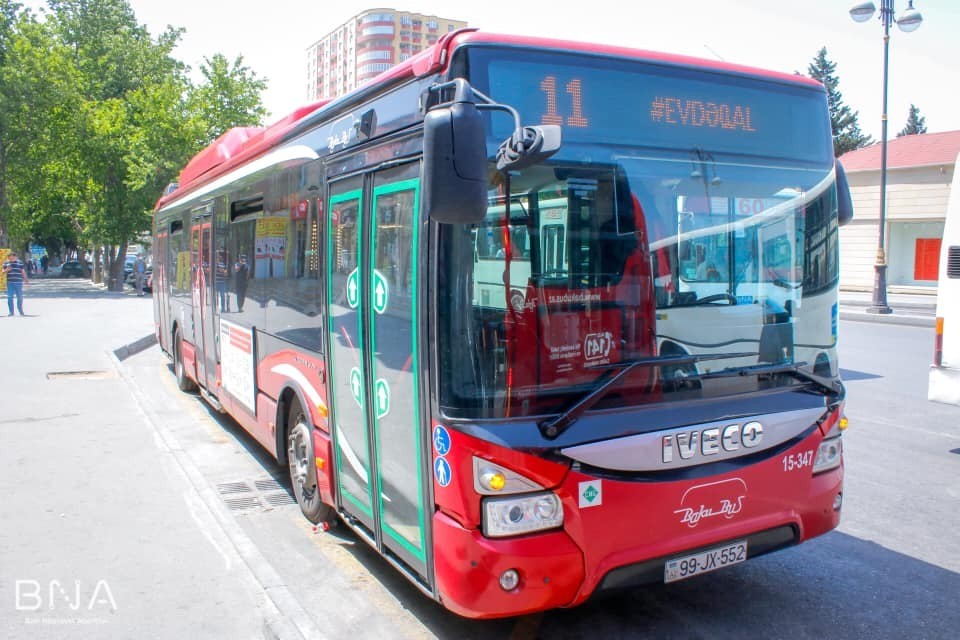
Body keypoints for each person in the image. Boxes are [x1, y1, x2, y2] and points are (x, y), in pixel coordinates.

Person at [3, 250, 29, 316]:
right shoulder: (6, 263)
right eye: (9, 258)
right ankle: (11, 312)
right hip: (10, 283)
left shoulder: (20, 263)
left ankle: (20, 311)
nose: (11, 259)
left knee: (19, 297)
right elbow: (3, 272)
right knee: (9, 297)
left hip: (18, 282)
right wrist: (6, 270)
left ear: (15, 257)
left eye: (12, 258)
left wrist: (26, 279)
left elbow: (23, 271)